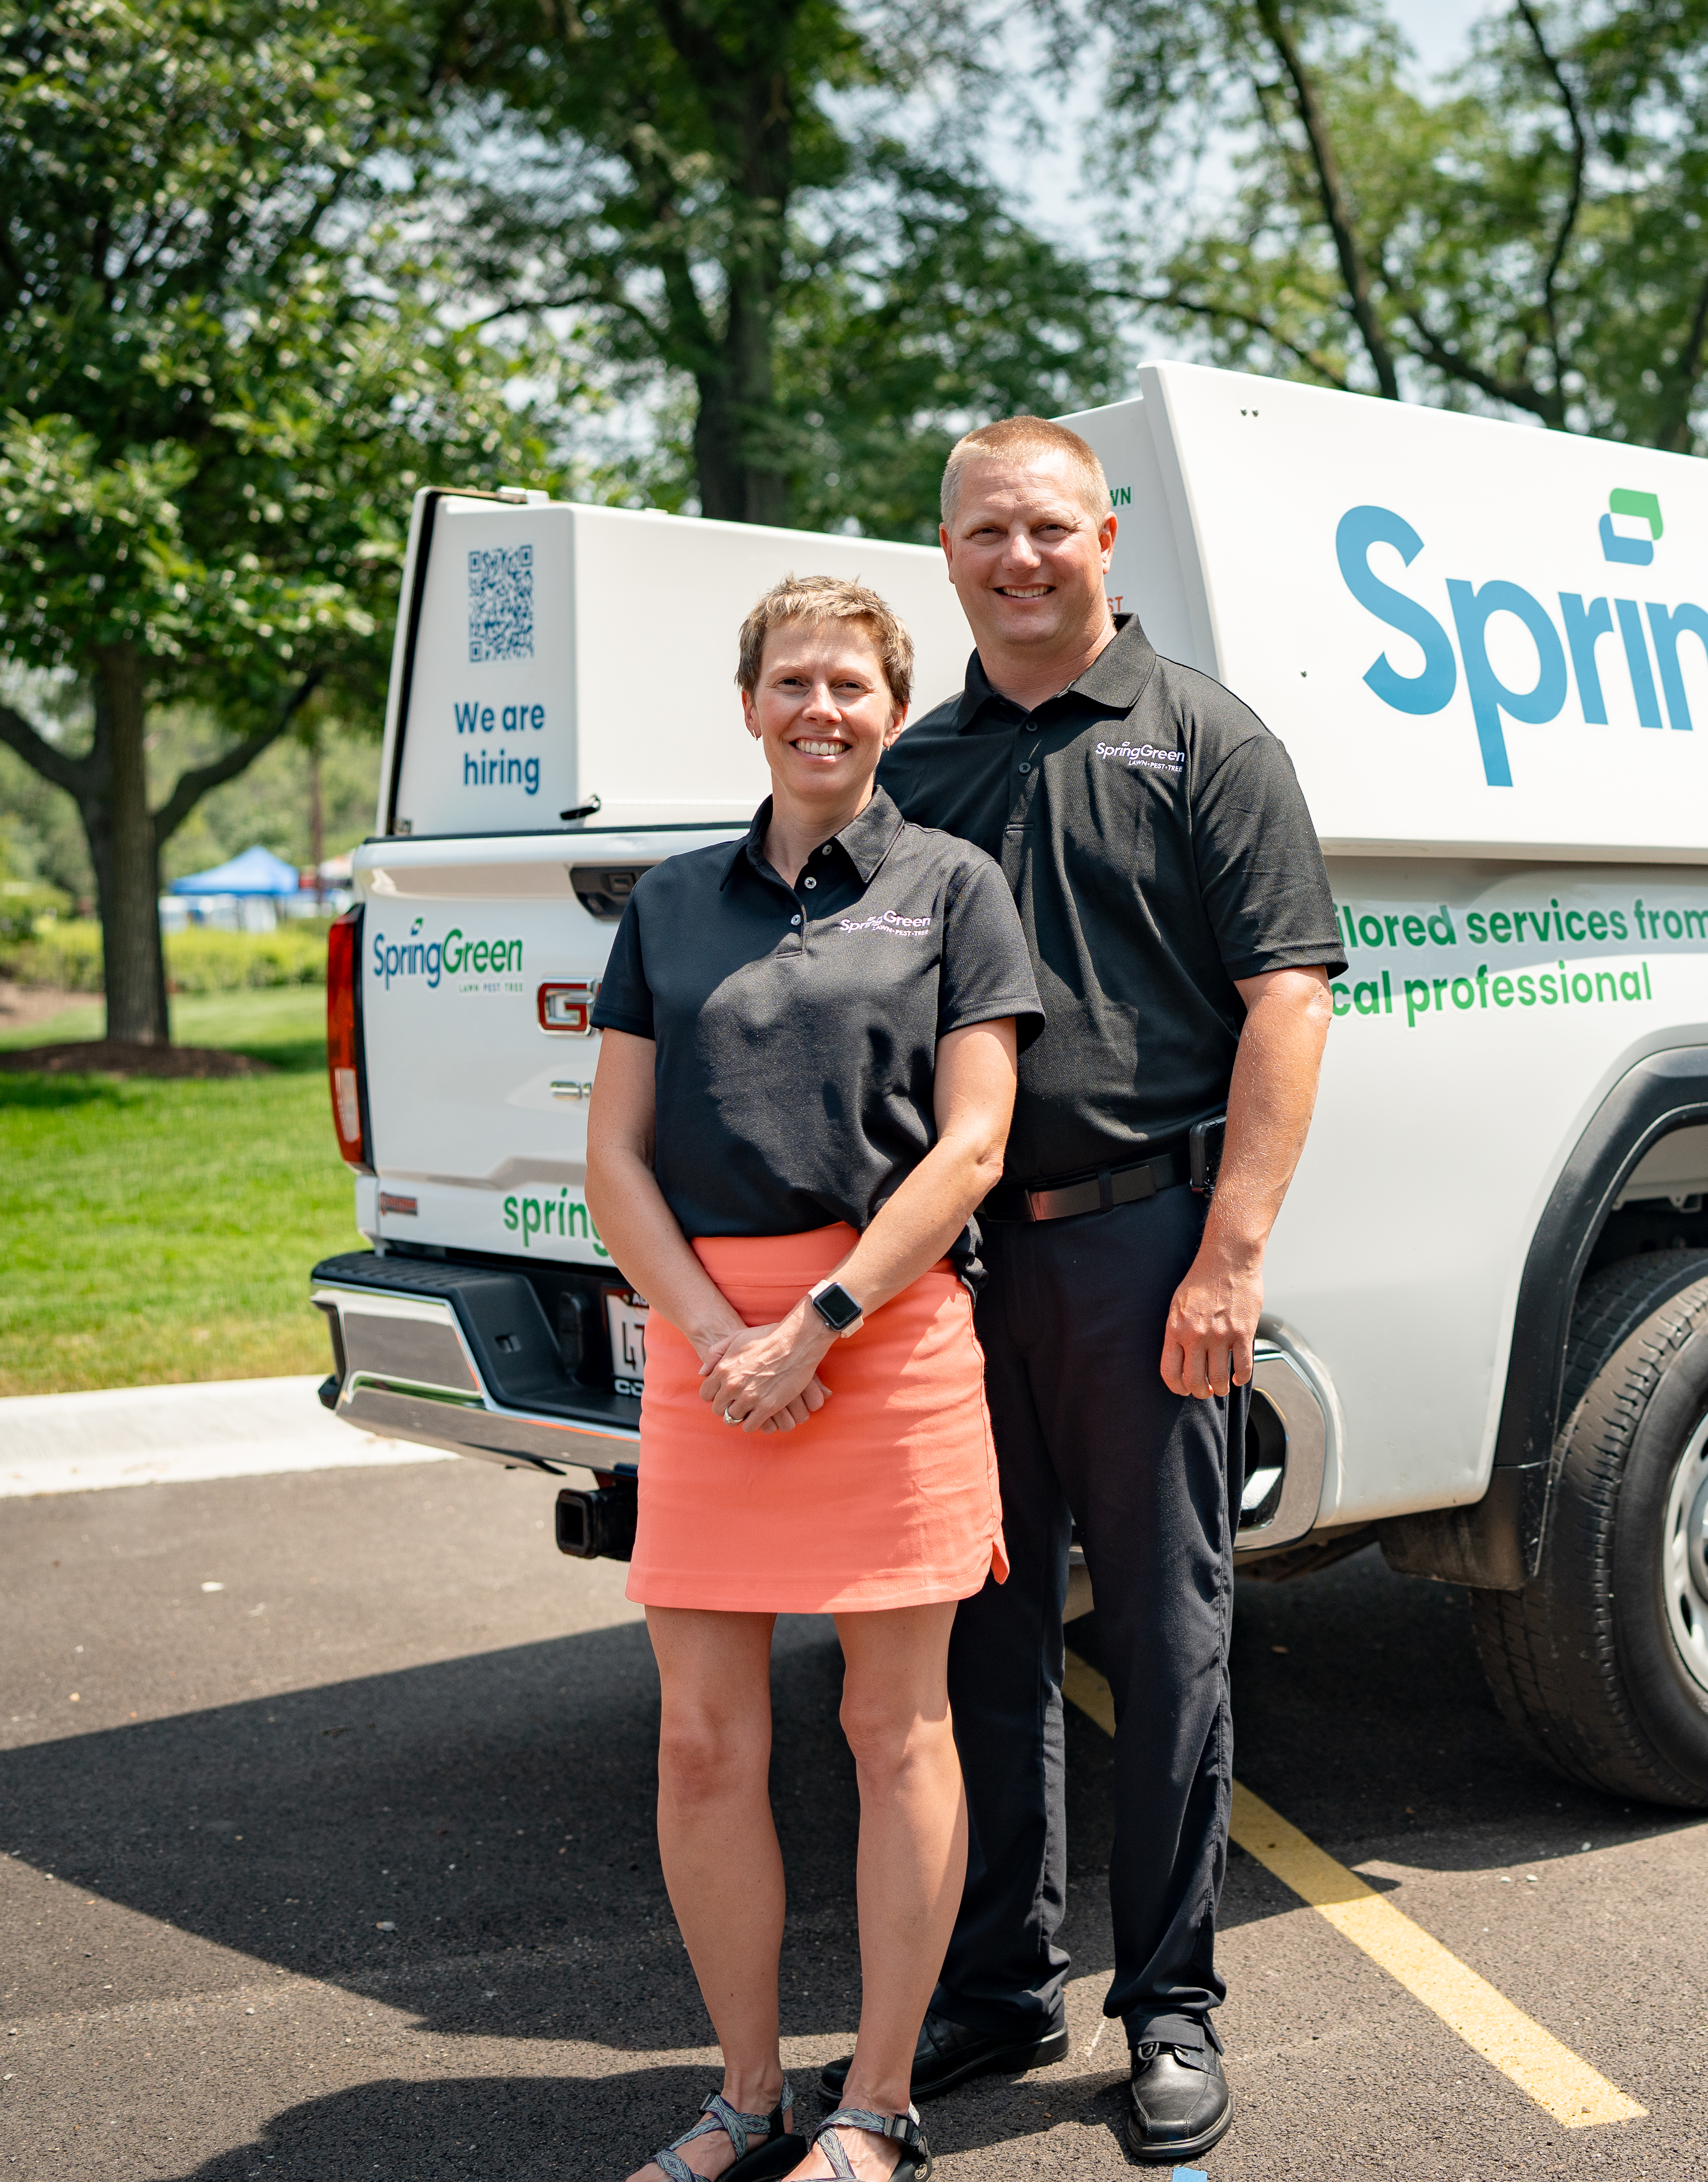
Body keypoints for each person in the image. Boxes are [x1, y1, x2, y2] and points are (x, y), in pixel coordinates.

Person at [821, 415, 1341, 2165]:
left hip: (1146, 1252)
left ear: (1106, 534)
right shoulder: (918, 766)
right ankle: (998, 1986)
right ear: (946, 552)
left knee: (1169, 1640)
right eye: (986, 531)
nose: (1020, 557)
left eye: (1050, 525)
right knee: (983, 1635)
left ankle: (1172, 2005)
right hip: (962, 1267)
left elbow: (1288, 1001)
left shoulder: (1207, 738)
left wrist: (1229, 1255)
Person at [584, 574, 1046, 2182]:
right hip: (710, 1352)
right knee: (702, 1743)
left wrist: (823, 1322)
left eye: (850, 684)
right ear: (750, 705)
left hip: (888, 1339)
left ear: (894, 710)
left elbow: (974, 1144)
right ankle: (748, 2098)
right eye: (792, 682)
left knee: (892, 1728)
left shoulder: (956, 887)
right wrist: (723, 1337)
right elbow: (614, 1159)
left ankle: (880, 2104)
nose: (820, 710)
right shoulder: (671, 904)